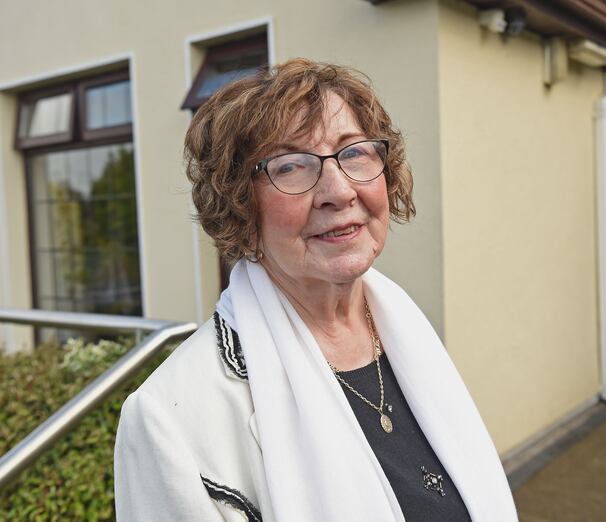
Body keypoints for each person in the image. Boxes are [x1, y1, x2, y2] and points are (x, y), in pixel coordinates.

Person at [114, 58, 517, 521]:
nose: (339, 190)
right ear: (239, 202)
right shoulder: (170, 420)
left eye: (355, 153)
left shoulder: (408, 334)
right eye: (290, 166)